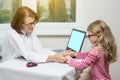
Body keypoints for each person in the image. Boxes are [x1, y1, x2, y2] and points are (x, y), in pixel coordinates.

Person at [1, 6, 66, 63]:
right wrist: (55, 58)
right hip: (9, 66)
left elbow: (39, 50)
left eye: (34, 23)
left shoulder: (29, 31)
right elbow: (28, 54)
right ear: (19, 23)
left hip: (21, 63)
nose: (33, 26)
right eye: (30, 24)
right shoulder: (12, 34)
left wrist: (57, 55)